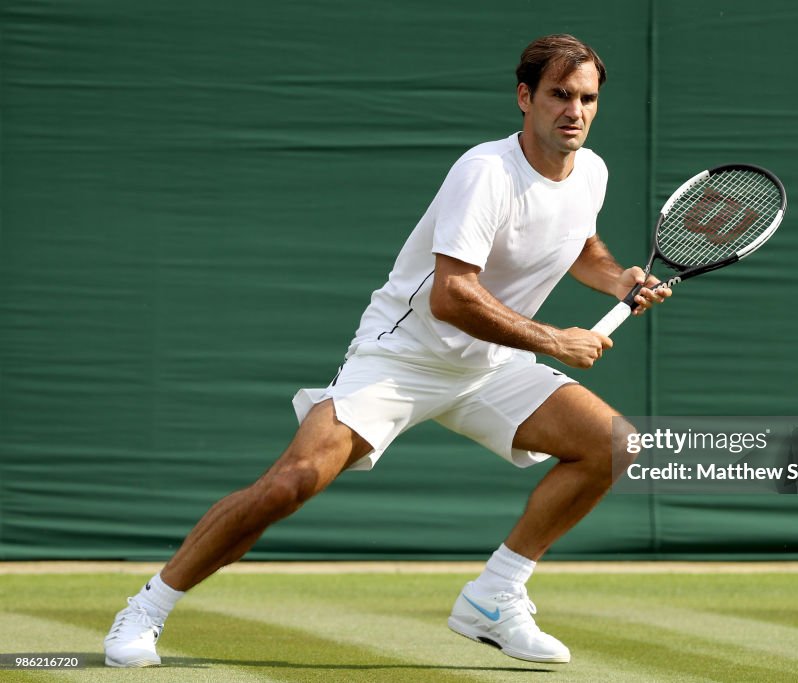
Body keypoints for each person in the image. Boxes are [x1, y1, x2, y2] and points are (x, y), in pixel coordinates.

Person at [103, 33, 670, 668]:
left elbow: (579, 244)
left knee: (612, 444)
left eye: (587, 98)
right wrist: (553, 340)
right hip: (403, 357)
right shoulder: (484, 173)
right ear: (524, 97)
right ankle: (146, 609)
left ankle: (495, 595)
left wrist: (616, 278)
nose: (575, 111)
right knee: (291, 483)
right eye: (560, 95)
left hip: (490, 365)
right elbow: (451, 297)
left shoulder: (590, 170)